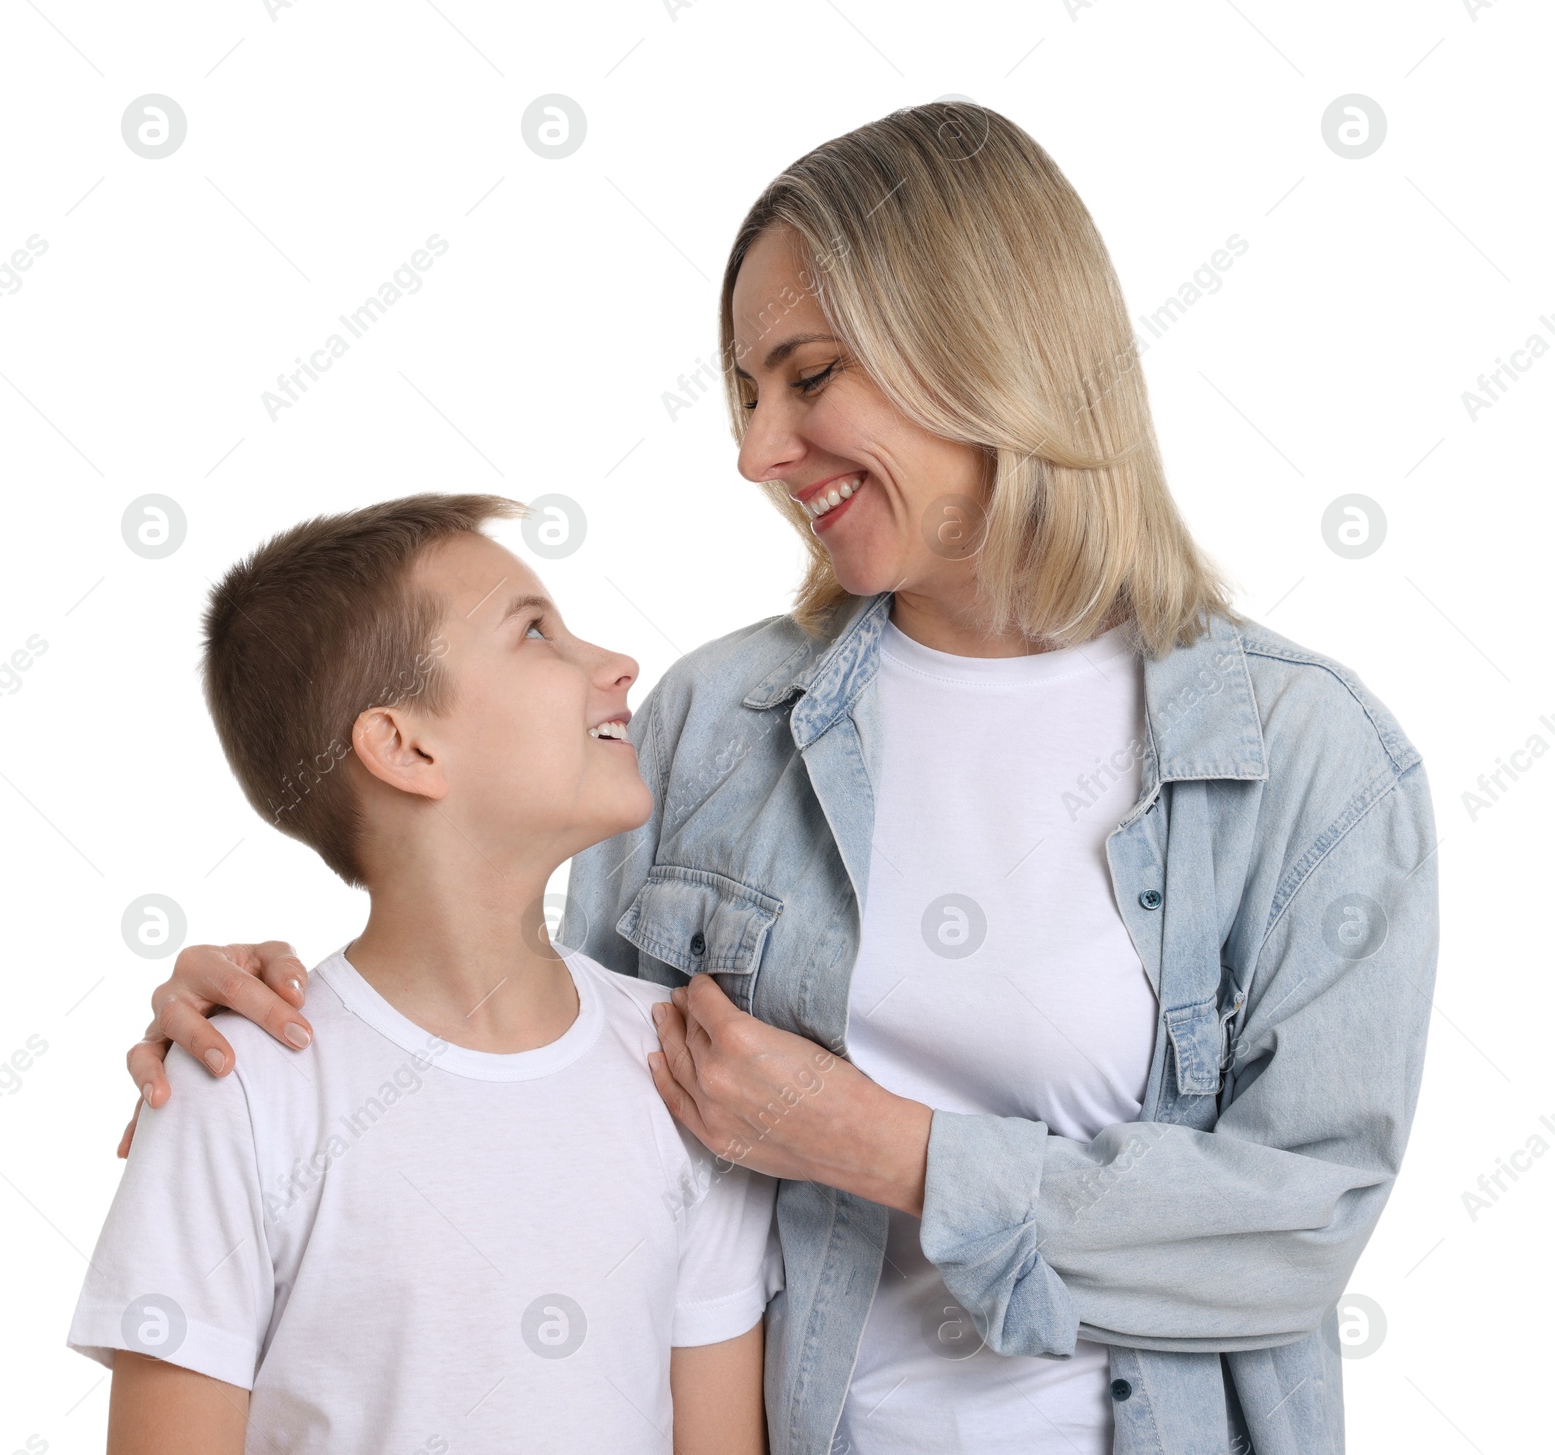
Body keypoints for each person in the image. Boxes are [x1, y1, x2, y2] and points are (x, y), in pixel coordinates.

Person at [120, 106, 1439, 1455]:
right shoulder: (715, 722)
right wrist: (278, 1042)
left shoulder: (1302, 756)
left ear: (983, 337)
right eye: (748, 393)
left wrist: (888, 1146)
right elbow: (552, 1094)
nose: (759, 449)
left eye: (807, 375)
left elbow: (1297, 1231)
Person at [74, 495, 779, 1455]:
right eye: (535, 632)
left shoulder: (683, 1069)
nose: (617, 666)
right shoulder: (239, 1090)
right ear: (405, 745)